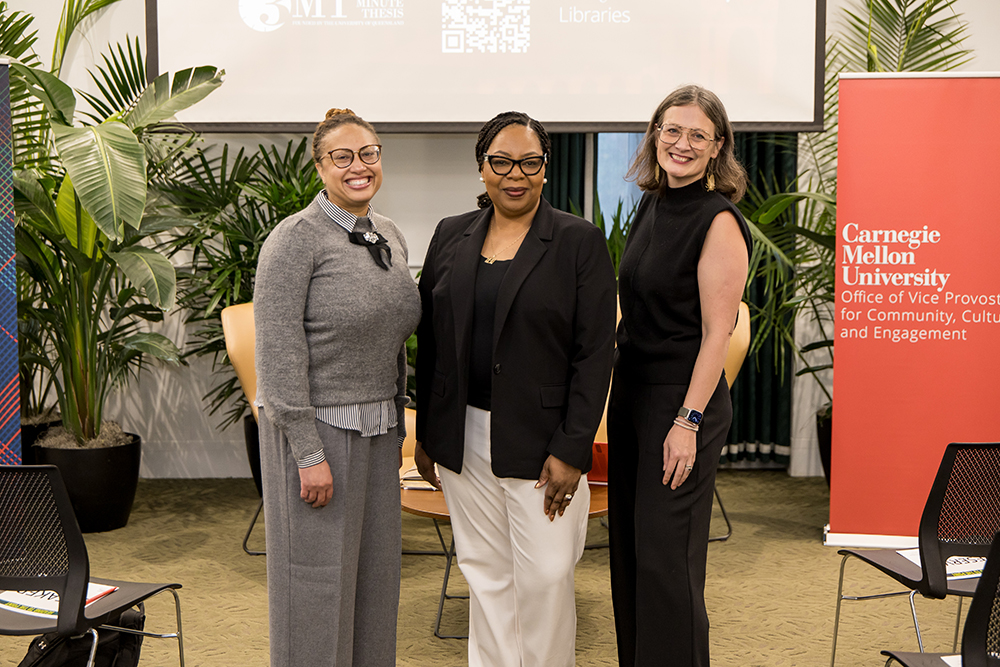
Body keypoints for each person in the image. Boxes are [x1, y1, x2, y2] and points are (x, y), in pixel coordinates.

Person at [414, 111, 617, 667]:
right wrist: (429, 434)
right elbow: (432, 342)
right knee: (485, 573)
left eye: (529, 163)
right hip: (463, 435)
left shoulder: (578, 241)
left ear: (545, 168)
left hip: (543, 440)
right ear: (482, 168)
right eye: (501, 162)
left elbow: (595, 354)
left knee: (547, 577)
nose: (515, 175)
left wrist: (572, 447)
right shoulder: (450, 234)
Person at [254, 108, 420, 667]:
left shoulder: (388, 233)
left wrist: (398, 419)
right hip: (317, 431)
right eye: (342, 157)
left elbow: (393, 337)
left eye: (369, 153)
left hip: (378, 429)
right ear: (320, 167)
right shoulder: (295, 239)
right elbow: (277, 351)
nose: (359, 166)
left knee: (375, 580)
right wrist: (307, 451)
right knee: (315, 586)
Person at [607, 85, 752, 667]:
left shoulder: (718, 220)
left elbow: (717, 334)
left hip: (682, 404)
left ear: (718, 147)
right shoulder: (652, 203)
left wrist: (687, 422)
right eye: (672, 130)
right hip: (633, 396)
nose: (682, 144)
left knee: (667, 564)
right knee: (631, 554)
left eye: (698, 135)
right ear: (655, 135)